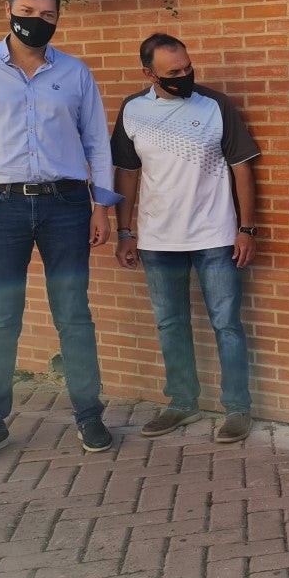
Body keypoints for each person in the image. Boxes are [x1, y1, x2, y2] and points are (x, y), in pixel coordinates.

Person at [0, 0, 120, 466]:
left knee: (74, 315)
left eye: (46, 14)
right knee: (0, 320)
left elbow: (96, 146)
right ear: (8, 9)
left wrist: (101, 207)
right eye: (26, 10)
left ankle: (89, 415)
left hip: (65, 206)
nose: (35, 21)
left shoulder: (76, 73)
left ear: (58, 16)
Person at [111, 32, 261, 443]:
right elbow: (126, 173)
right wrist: (125, 232)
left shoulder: (215, 105)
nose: (185, 76)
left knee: (227, 323)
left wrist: (246, 229)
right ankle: (181, 401)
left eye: (188, 68)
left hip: (215, 236)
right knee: (170, 323)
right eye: (173, 72)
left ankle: (237, 408)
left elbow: (242, 169)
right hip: (158, 240)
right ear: (149, 73)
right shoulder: (133, 110)